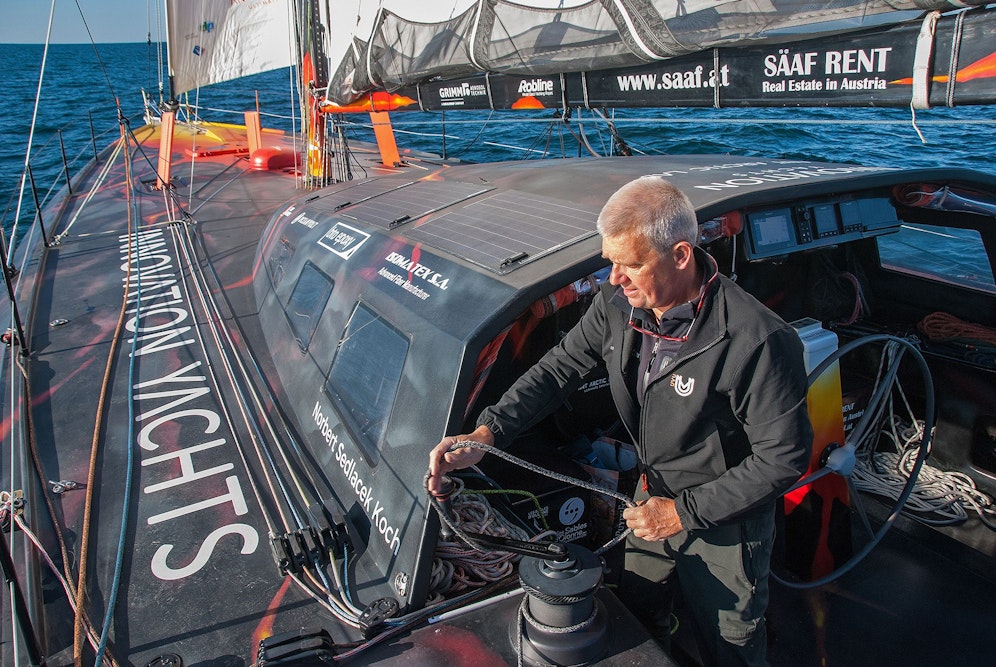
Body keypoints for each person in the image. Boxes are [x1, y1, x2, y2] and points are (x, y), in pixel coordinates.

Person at [428, 176, 813, 666]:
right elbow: (558, 370)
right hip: (650, 496)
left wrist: (681, 513)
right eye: (610, 262)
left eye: (631, 264)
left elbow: (783, 459)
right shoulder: (618, 304)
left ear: (680, 255)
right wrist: (489, 433)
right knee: (636, 615)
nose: (614, 278)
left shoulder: (759, 339)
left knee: (730, 646)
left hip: (725, 521)